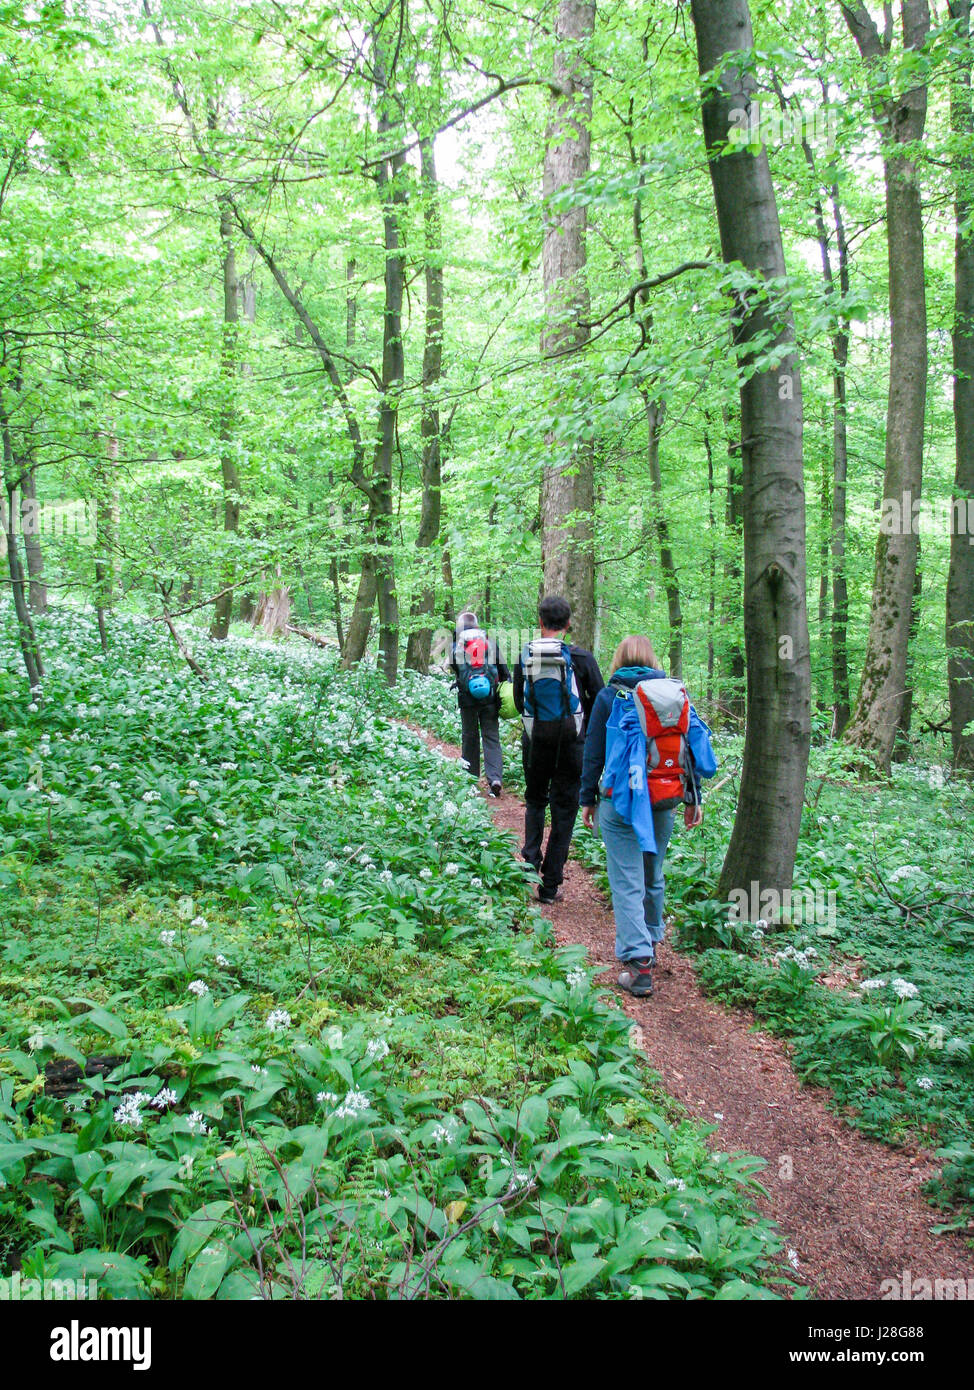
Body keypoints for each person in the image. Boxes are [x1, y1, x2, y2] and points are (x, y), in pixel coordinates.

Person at [580, 634, 711, 998]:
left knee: (626, 879)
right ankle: (651, 940)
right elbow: (691, 747)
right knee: (653, 872)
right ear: (652, 661)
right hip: (664, 798)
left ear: (619, 659)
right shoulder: (671, 696)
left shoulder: (611, 696)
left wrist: (587, 799)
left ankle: (639, 965)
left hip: (620, 801)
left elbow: (593, 750)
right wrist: (692, 798)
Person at [513, 595, 604, 902]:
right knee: (564, 811)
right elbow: (601, 702)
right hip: (572, 744)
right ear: (568, 624)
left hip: (536, 740)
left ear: (540, 622)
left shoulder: (525, 656)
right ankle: (550, 885)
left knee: (536, 799)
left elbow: (517, 701)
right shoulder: (582, 659)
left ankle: (529, 863)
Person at [450, 610, 511, 797]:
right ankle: (495, 778)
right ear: (477, 626)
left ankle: (471, 780)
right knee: (491, 736)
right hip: (490, 699)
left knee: (469, 737)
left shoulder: (457, 645)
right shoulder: (489, 643)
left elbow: (454, 668)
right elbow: (504, 671)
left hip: (467, 699)